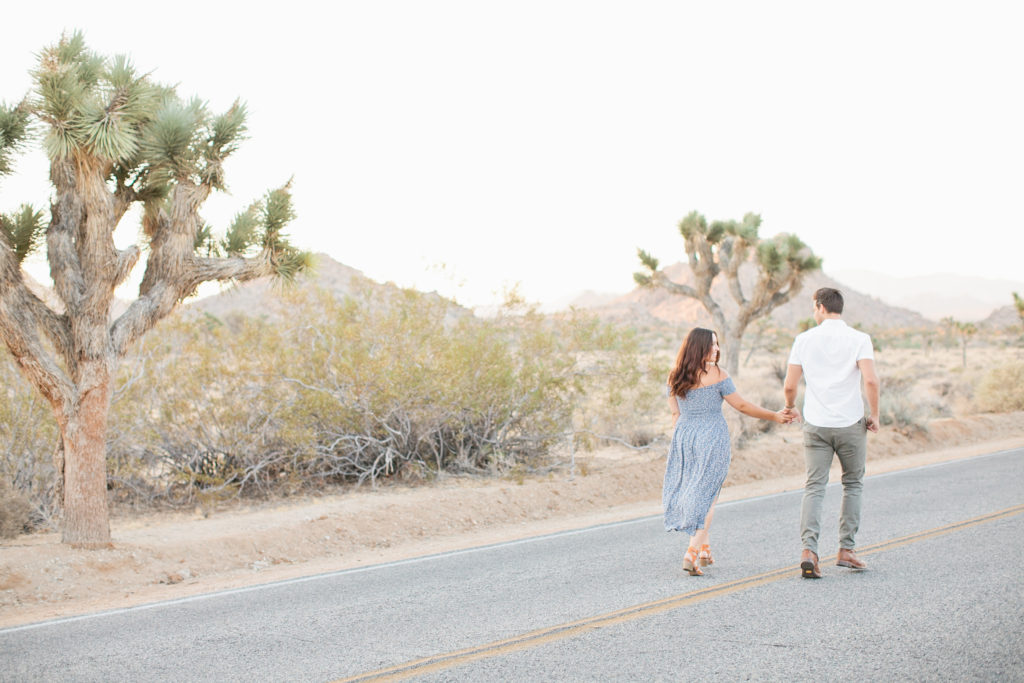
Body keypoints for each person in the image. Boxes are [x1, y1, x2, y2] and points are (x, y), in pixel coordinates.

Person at [664, 327, 793, 576]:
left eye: (717, 344)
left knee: (697, 489)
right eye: (712, 344)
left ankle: (704, 549)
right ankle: (691, 552)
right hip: (712, 437)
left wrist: (685, 437)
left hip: (684, 438)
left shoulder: (674, 376)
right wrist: (775, 417)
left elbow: (675, 415)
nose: (717, 349)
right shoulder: (718, 375)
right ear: (698, 347)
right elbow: (742, 405)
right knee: (709, 495)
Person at [783, 287, 880, 579]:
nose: (814, 312)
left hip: (816, 422)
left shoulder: (803, 340)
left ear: (820, 307)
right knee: (853, 483)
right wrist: (874, 414)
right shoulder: (860, 339)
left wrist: (790, 407)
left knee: (815, 485)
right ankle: (846, 550)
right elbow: (871, 380)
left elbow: (790, 385)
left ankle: (809, 551)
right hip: (850, 422)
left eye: (814, 308)